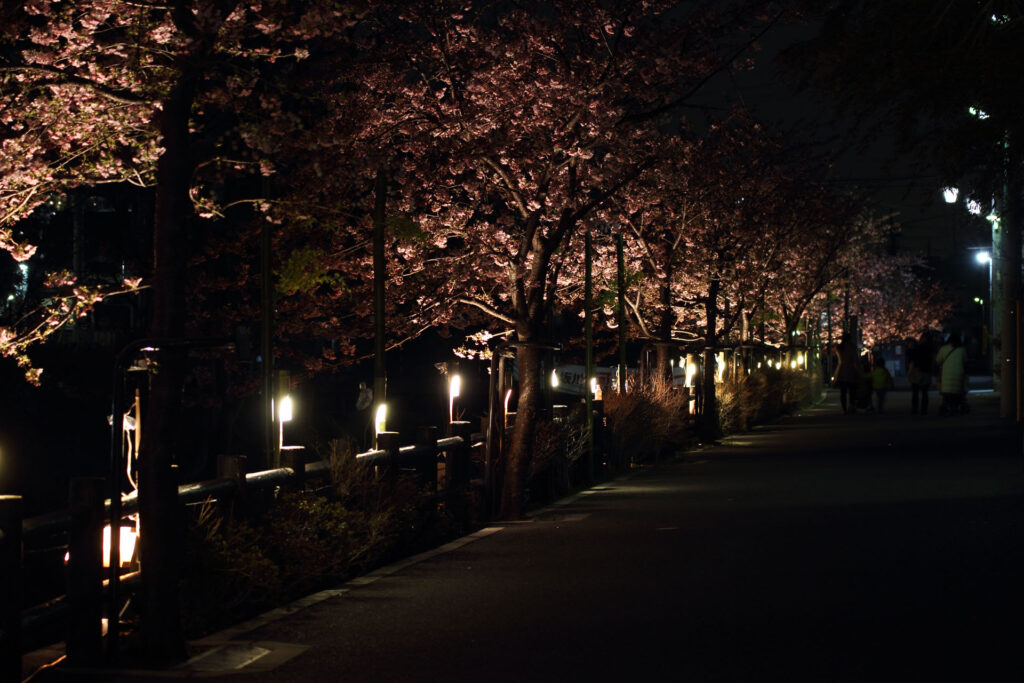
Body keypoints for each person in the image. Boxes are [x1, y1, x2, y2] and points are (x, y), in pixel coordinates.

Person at [935, 332, 967, 415]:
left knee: (947, 392)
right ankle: (955, 407)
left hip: (946, 373)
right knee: (957, 392)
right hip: (959, 372)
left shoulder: (943, 348)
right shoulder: (962, 349)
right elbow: (965, 361)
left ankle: (947, 407)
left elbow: (938, 360)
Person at [833, 333, 861, 414]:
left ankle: (844, 408)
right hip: (851, 370)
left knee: (843, 392)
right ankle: (851, 406)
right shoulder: (852, 348)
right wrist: (860, 371)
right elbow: (855, 360)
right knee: (852, 390)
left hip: (841, 370)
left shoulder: (839, 348)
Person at [907, 332, 934, 415]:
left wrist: (910, 371)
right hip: (926, 371)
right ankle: (923, 409)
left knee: (915, 392)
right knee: (924, 392)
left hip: (917, 371)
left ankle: (915, 409)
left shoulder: (917, 348)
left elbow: (912, 360)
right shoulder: (930, 349)